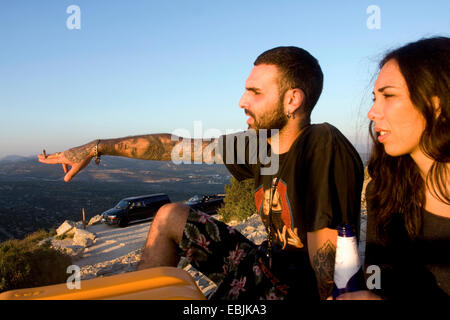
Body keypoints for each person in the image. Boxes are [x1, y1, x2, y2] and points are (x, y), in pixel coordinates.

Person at [38, 46, 364, 300]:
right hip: (265, 263)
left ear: (292, 99)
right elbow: (173, 146)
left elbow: (330, 268)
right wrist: (97, 147)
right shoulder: (259, 146)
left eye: (255, 92)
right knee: (170, 216)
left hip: (294, 290)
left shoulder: (321, 144)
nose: (241, 101)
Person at [338, 37, 450, 300]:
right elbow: (379, 282)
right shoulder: (386, 191)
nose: (372, 112)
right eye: (374, 98)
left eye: (388, 95)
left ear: (437, 104)